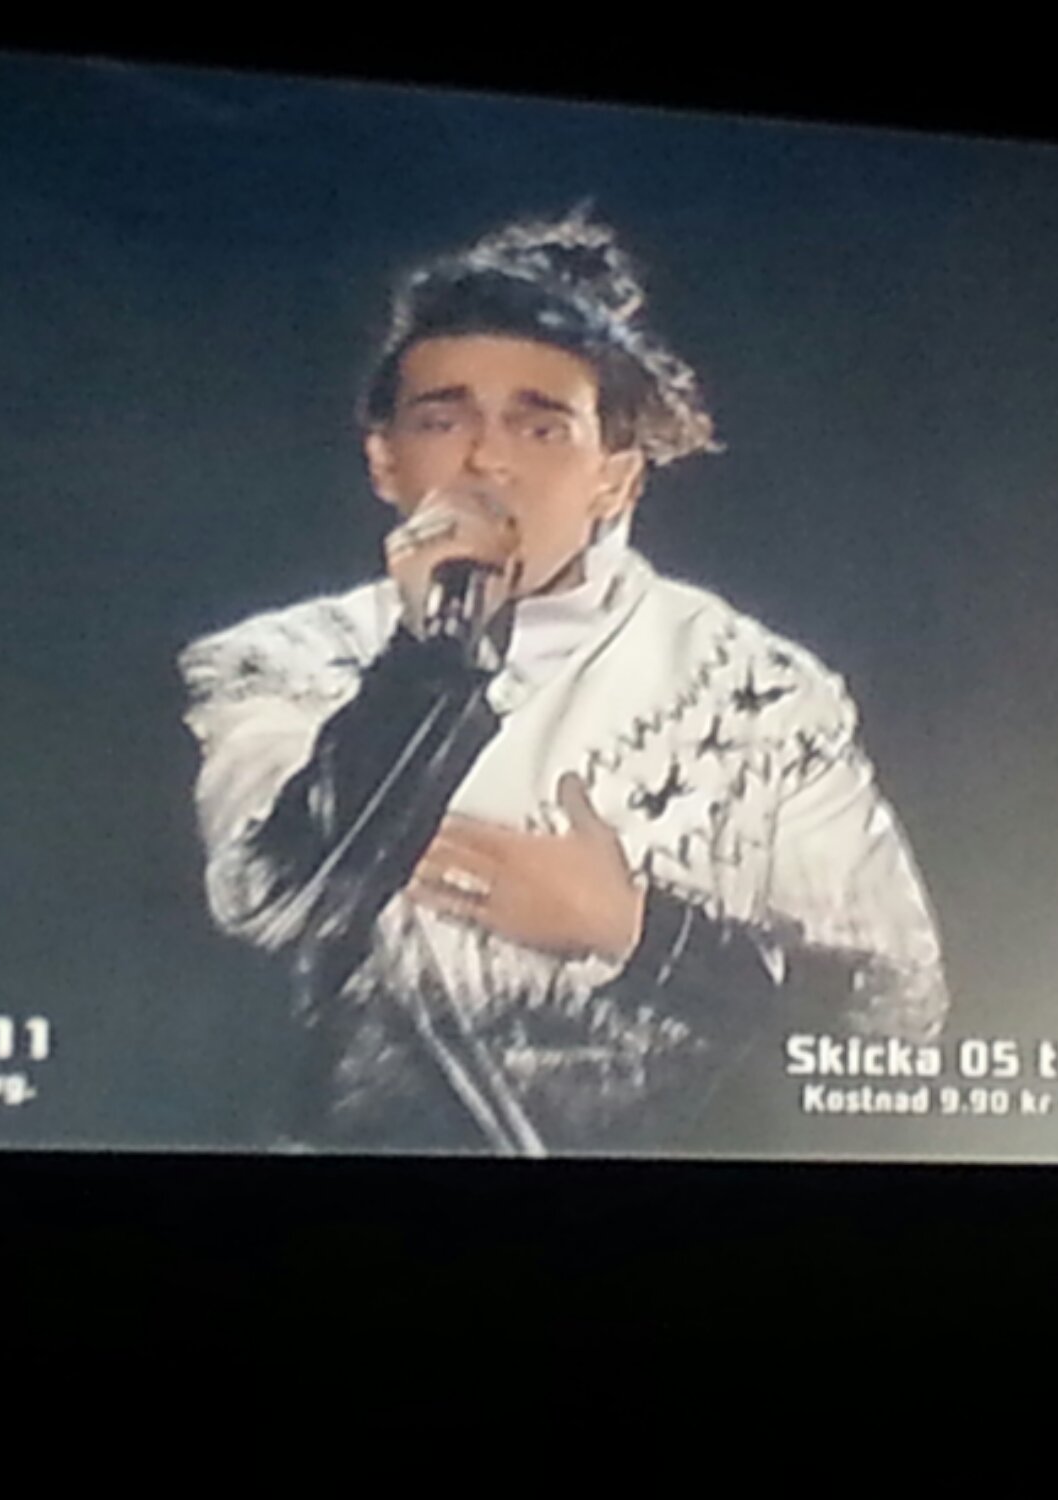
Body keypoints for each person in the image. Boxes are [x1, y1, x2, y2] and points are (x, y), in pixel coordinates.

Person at [179, 211, 947, 1155]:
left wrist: (637, 933)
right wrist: (436, 654)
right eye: (442, 420)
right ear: (384, 460)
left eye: (540, 426)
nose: (486, 459)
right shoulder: (283, 661)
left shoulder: (764, 689)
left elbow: (891, 1013)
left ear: (615, 479)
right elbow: (275, 900)